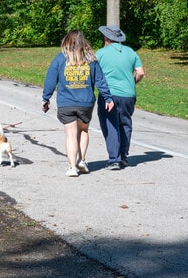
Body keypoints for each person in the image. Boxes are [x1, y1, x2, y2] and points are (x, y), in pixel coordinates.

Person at [42, 30, 115, 177]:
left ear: (67, 42)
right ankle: (82, 160)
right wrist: (108, 98)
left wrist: (46, 98)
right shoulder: (91, 59)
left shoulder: (60, 59)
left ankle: (72, 167)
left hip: (66, 103)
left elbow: (51, 79)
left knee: (70, 134)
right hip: (85, 102)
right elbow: (100, 80)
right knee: (83, 131)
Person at [96, 25, 146, 170]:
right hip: (128, 95)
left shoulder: (100, 53)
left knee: (110, 124)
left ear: (106, 38)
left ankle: (114, 159)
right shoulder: (131, 52)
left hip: (109, 94)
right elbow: (141, 72)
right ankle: (123, 156)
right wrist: (133, 82)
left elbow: (94, 72)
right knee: (125, 123)